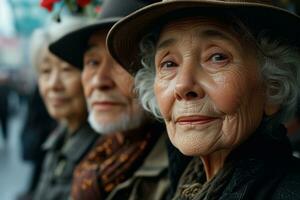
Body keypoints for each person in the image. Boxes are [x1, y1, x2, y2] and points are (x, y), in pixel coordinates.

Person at [107, 0, 300, 199]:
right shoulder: (187, 182)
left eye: (217, 57)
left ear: (272, 86)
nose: (183, 86)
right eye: (169, 63)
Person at [49, 0, 191, 199]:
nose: (99, 81)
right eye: (92, 62)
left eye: (120, 61)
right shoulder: (96, 150)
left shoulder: (184, 174)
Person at [30, 18, 99, 200]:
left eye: (66, 69)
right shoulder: (59, 138)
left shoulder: (105, 150)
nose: (53, 84)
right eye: (45, 71)